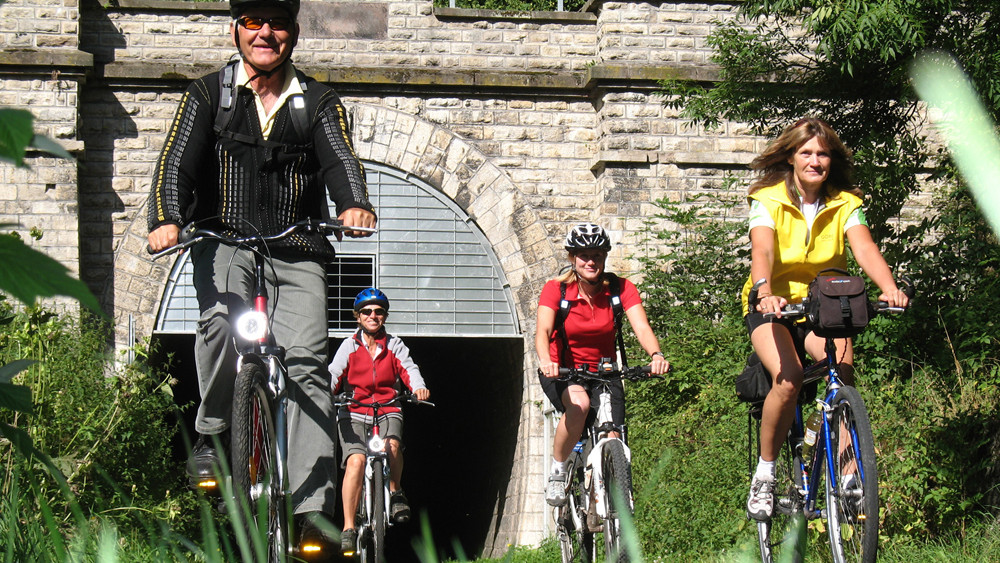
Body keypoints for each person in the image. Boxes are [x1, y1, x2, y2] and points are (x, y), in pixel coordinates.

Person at [146, 0, 376, 552]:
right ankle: (212, 432)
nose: (265, 33)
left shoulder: (316, 101)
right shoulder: (208, 95)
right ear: (236, 29)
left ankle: (311, 507)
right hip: (224, 238)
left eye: (276, 23)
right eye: (253, 21)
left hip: (296, 248)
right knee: (222, 324)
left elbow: (340, 158)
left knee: (307, 365)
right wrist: (168, 217)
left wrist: (354, 203)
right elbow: (177, 160)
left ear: (293, 33)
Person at [741, 117, 909, 521]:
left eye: (823, 154)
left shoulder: (846, 203)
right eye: (807, 153)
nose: (816, 161)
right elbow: (761, 249)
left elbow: (864, 248)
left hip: (825, 305)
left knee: (842, 373)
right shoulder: (768, 200)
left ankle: (848, 476)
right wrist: (764, 291)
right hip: (773, 306)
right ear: (791, 157)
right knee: (789, 378)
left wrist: (889, 287)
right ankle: (765, 474)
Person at [536, 223, 669, 506]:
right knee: (580, 406)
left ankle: (608, 503)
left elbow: (641, 328)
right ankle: (558, 470)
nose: (591, 261)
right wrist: (546, 361)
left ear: (605, 256)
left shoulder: (621, 289)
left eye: (597, 254)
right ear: (572, 258)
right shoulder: (557, 290)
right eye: (584, 255)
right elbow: (543, 331)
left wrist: (656, 355)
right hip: (563, 370)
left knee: (613, 433)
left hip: (605, 371)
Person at [329, 288, 430, 555]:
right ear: (358, 317)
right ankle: (349, 527)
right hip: (353, 410)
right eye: (367, 312)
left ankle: (395, 492)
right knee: (356, 461)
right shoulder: (349, 345)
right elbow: (333, 374)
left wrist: (418, 387)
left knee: (392, 447)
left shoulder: (394, 344)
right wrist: (326, 392)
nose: (373, 316)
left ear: (384, 316)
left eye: (378, 311)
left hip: (387, 408)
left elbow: (409, 369)